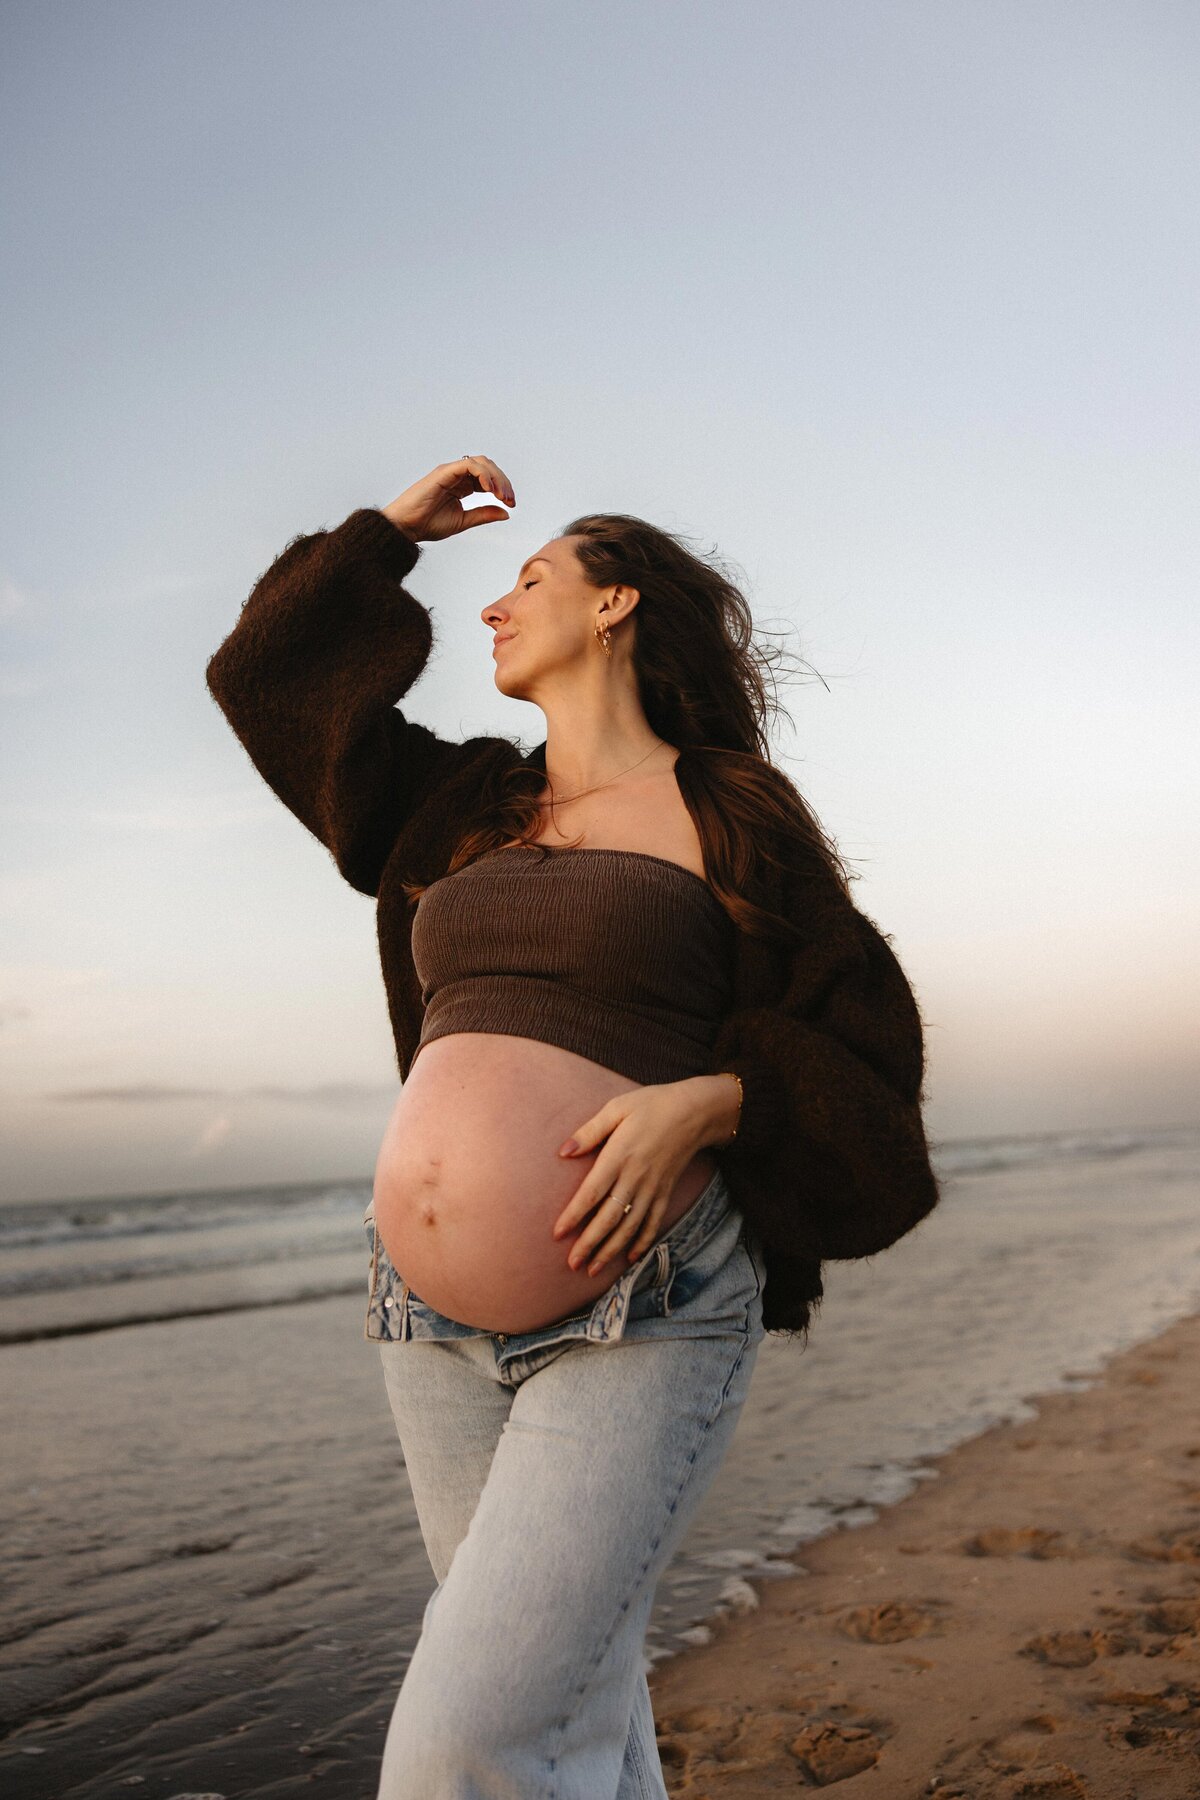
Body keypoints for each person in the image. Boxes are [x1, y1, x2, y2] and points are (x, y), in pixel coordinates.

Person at [205, 454, 941, 1798]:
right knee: (571, 1710)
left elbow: (871, 1063)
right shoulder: (457, 804)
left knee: (462, 1745)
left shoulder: (733, 813)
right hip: (421, 1323)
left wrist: (721, 1099)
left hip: (646, 1304)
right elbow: (263, 680)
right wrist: (386, 537)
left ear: (615, 603)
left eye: (531, 577)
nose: (493, 607)